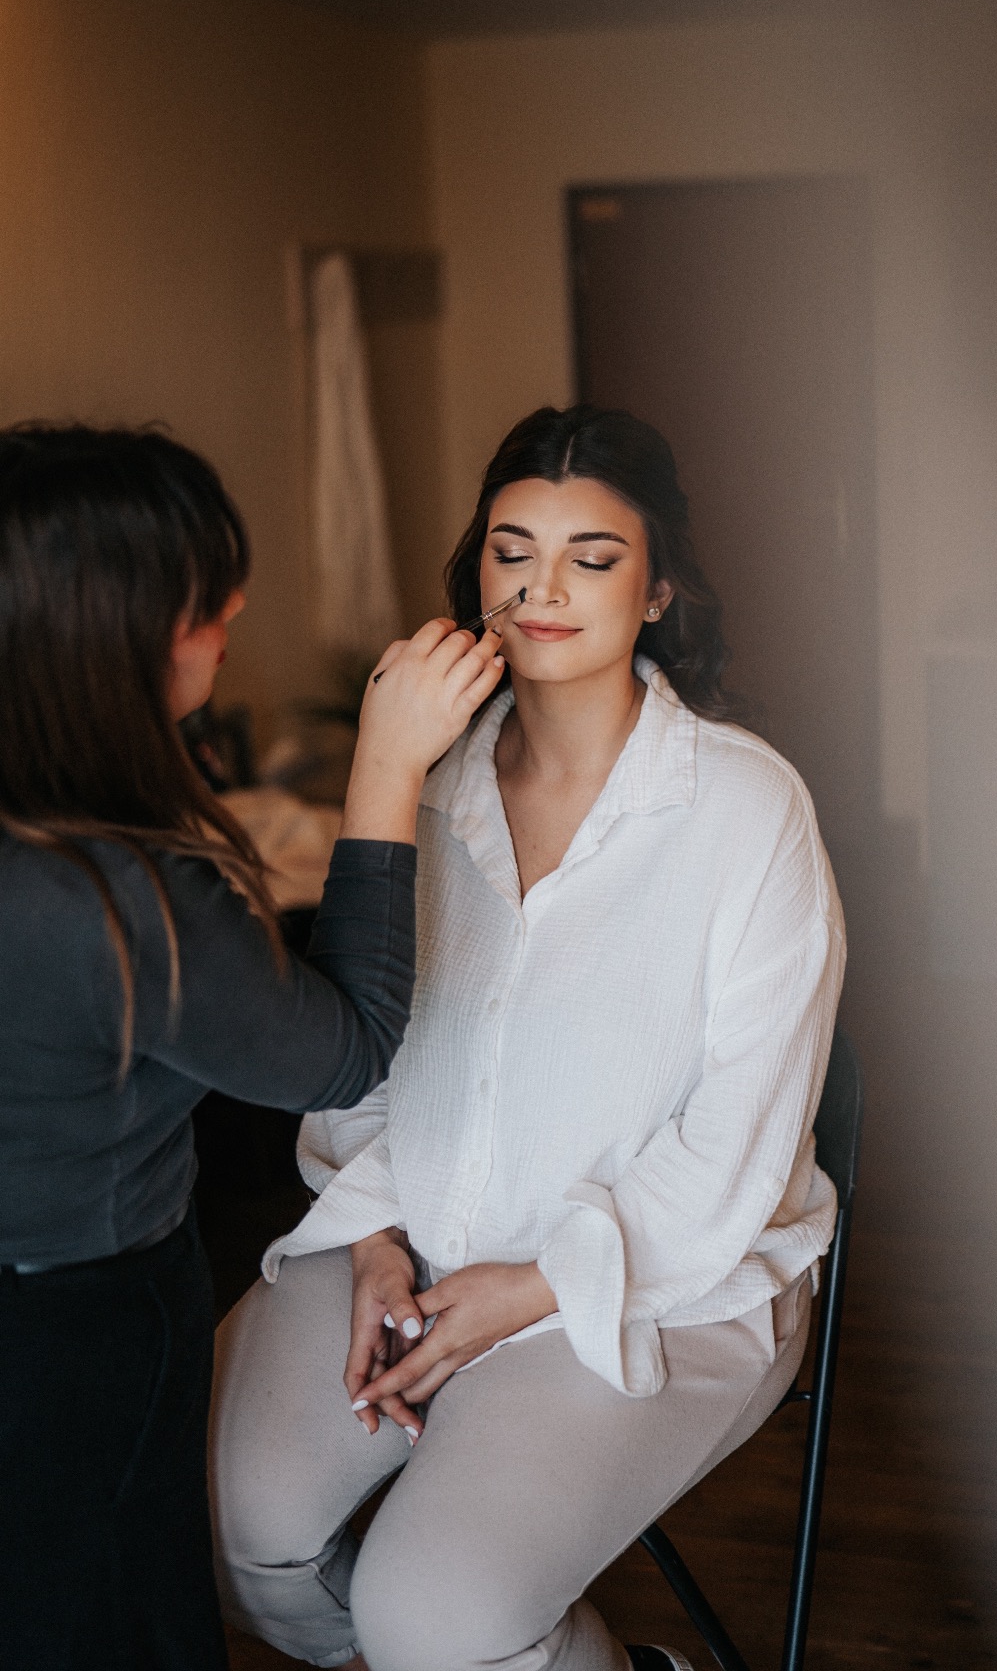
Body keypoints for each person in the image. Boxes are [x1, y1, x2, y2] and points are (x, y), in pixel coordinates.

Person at [211, 405, 846, 1671]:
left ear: (655, 590)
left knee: (430, 1617)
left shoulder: (744, 807)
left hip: (666, 1273)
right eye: (512, 552)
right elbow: (360, 1048)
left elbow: (736, 1143)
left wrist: (537, 1284)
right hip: (404, 1228)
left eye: (590, 559)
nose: (542, 588)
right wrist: (374, 1239)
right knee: (237, 1536)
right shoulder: (423, 783)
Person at [0, 423, 506, 1671]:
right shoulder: (114, 896)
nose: (233, 607)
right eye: (201, 594)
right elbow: (348, 1050)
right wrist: (387, 765)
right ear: (107, 632)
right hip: (69, 1327)